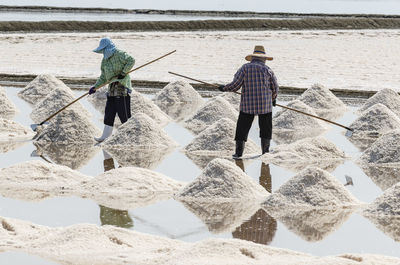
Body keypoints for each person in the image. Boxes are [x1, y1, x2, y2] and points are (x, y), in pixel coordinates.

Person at [219, 45, 279, 159]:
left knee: (242, 127)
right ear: (263, 59)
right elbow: (275, 87)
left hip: (247, 104)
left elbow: (235, 85)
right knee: (266, 128)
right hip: (265, 105)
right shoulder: (267, 70)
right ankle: (265, 152)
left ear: (252, 57)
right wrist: (273, 99)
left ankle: (238, 153)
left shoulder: (245, 68)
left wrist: (224, 88)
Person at [89, 37, 135, 142]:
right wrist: (95, 87)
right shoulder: (105, 60)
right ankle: (105, 136)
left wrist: (123, 73)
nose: (104, 52)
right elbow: (103, 77)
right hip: (111, 89)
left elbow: (131, 60)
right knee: (109, 112)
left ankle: (130, 136)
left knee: (124, 114)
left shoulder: (120, 54)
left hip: (122, 87)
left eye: (104, 49)